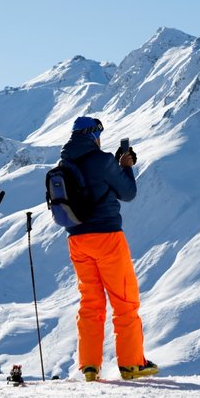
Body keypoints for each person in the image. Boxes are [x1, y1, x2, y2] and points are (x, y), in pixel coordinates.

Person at [61, 116, 158, 381]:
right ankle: (131, 364)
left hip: (77, 241)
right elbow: (127, 193)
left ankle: (90, 366)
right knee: (124, 300)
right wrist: (125, 166)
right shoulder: (103, 161)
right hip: (107, 237)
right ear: (92, 135)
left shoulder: (65, 163)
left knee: (90, 302)